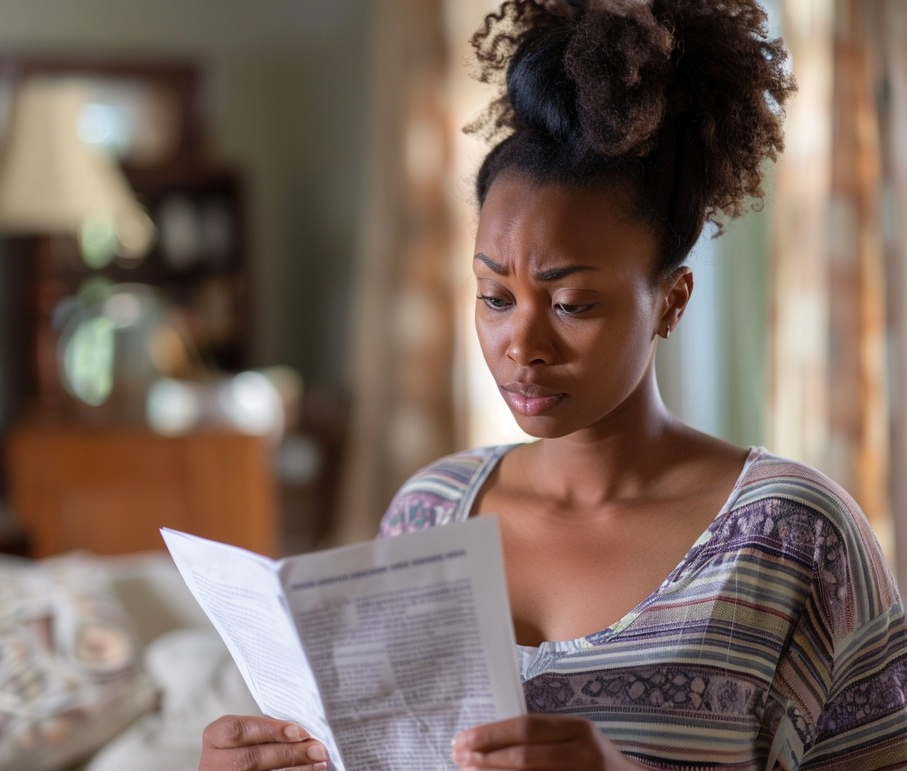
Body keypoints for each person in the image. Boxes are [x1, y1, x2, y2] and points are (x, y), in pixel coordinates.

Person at [198, 0, 907, 768]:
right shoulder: (428, 513)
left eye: (571, 303)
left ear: (670, 300)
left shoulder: (793, 537)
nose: (521, 345)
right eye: (495, 297)